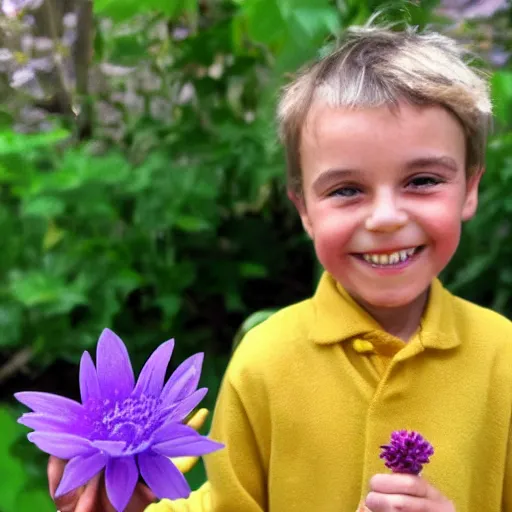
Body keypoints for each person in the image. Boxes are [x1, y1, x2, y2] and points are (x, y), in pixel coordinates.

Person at [48, 24, 512, 512]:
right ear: (305, 210)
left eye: (421, 180)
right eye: (347, 190)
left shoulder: (503, 358)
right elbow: (226, 505)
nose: (385, 218)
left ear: (471, 188)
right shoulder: (264, 361)